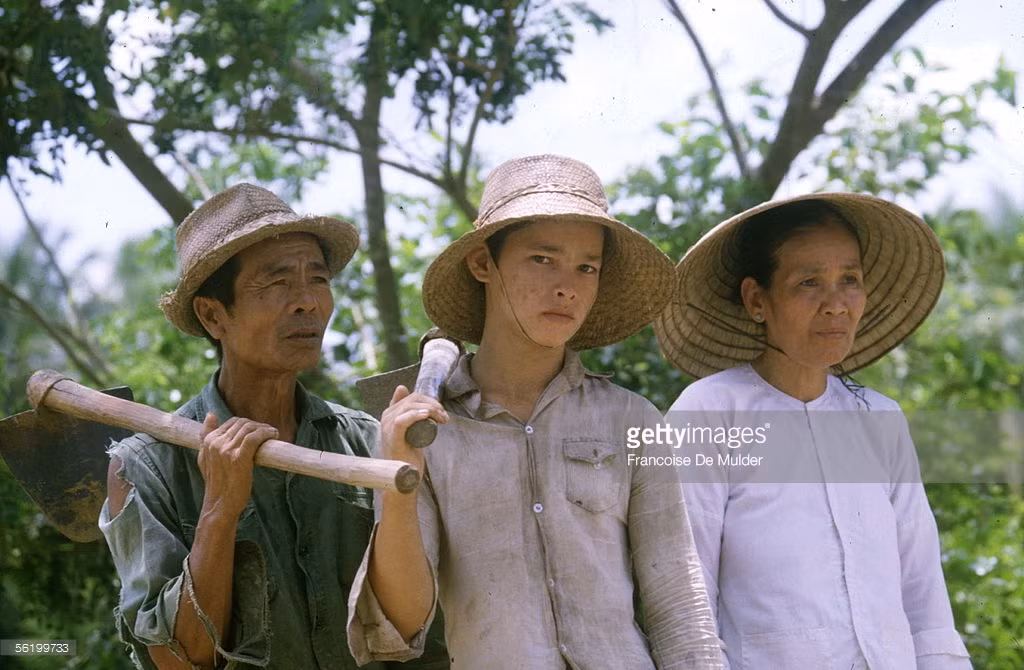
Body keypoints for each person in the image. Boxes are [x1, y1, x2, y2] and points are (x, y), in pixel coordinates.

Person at [346, 154, 724, 669]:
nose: (567, 285)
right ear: (483, 263)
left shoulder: (631, 419)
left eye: (586, 267)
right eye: (542, 259)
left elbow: (678, 601)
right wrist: (398, 482)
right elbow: (400, 627)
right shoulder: (422, 430)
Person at [99, 183, 447, 669]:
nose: (307, 302)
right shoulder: (146, 467)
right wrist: (220, 507)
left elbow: (408, 628)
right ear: (213, 314)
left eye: (318, 279)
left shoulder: (365, 443)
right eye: (277, 282)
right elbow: (179, 660)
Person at [654, 194, 973, 669]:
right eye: (809, 282)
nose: (836, 304)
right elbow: (684, 593)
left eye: (850, 279)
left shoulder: (879, 419)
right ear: (756, 299)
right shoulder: (708, 414)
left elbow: (923, 597)